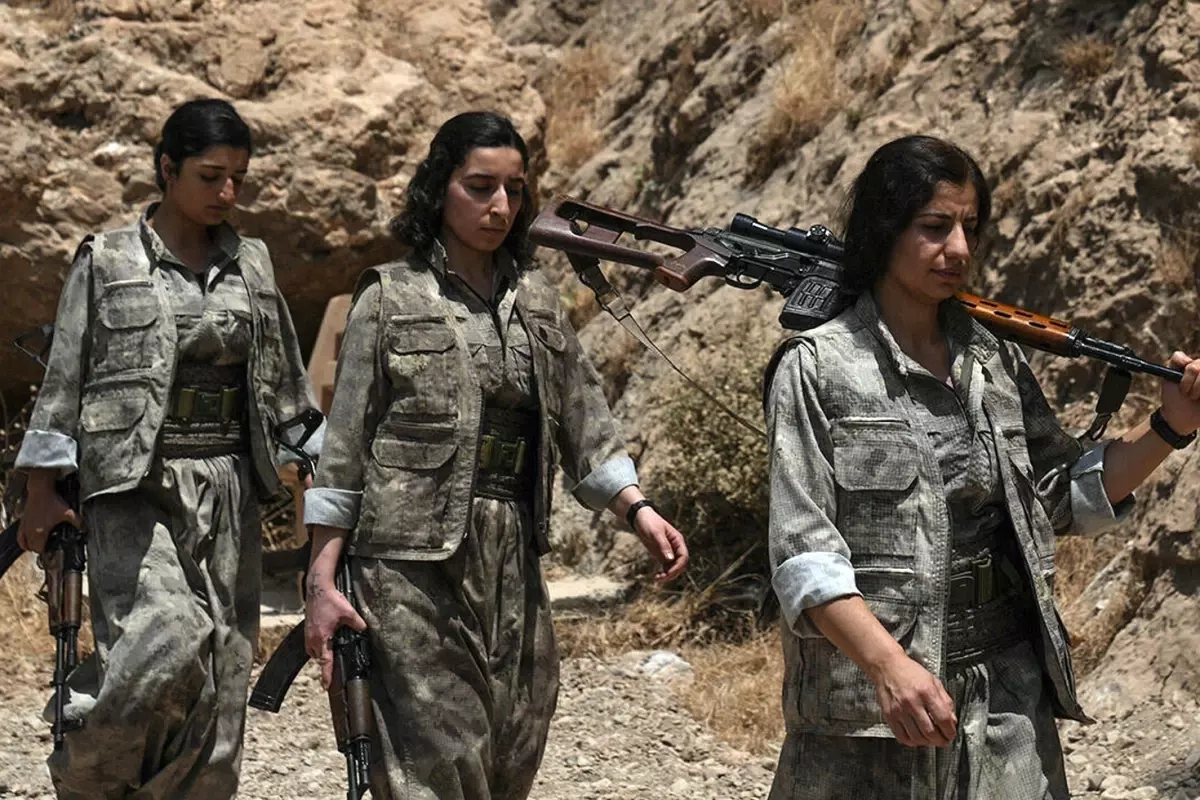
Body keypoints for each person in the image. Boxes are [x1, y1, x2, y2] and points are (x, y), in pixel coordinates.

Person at [764, 134, 1200, 799]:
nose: (960, 249)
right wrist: (889, 667)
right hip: (873, 716)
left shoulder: (993, 360)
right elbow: (804, 555)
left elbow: (1061, 497)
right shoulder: (818, 368)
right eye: (934, 227)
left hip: (1003, 698)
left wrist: (1171, 427)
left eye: (970, 227)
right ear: (884, 230)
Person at [302, 109, 689, 799]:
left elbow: (585, 421)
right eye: (480, 187)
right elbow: (345, 449)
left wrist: (638, 510)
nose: (501, 206)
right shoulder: (388, 297)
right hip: (408, 567)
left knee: (516, 740)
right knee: (438, 756)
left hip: (512, 557)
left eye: (514, 188)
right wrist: (322, 581)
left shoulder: (537, 300)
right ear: (439, 189)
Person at [14, 98, 322, 799]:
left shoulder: (253, 264)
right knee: (164, 644)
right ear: (167, 169)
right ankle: (85, 779)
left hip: (230, 487)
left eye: (239, 178)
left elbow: (289, 393)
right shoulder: (107, 258)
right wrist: (40, 491)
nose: (227, 192)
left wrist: (330, 485)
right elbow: (64, 381)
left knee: (220, 672)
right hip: (134, 489)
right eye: (210, 175)